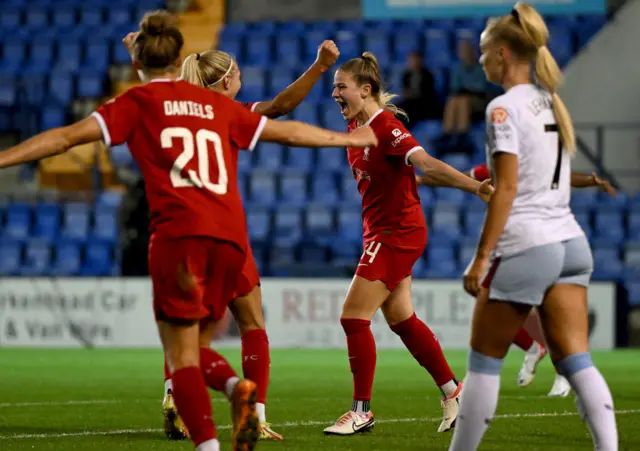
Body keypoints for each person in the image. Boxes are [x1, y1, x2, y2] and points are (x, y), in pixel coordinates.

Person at [0, 11, 377, 451]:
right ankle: (246, 404)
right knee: (233, 330)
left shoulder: (138, 102)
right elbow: (286, 128)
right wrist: (349, 140)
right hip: (230, 237)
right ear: (181, 56)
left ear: (141, 64)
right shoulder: (220, 107)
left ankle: (215, 400)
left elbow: (65, 139)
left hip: (179, 236)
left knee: (183, 354)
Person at [122, 33, 341, 441]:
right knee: (251, 321)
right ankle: (256, 413)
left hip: (177, 232)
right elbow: (282, 107)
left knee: (182, 328)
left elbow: (151, 90)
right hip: (222, 230)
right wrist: (321, 66)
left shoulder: (171, 110)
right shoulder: (228, 111)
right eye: (238, 72)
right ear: (225, 82)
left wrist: (138, 57)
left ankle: (175, 394)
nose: (242, 77)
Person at [448, 3, 618, 450]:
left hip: (528, 242)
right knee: (576, 359)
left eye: (485, 52)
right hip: (571, 241)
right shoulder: (551, 102)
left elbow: (505, 190)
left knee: (483, 364)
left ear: (503, 54)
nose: (481, 60)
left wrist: (482, 257)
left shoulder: (502, 109)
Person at [323, 51, 493, 436]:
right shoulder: (357, 130)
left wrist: (473, 186)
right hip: (381, 231)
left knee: (353, 317)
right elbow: (412, 178)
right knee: (401, 319)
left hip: (396, 233)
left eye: (340, 86)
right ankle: (454, 392)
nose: (334, 94)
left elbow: (426, 164)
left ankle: (361, 411)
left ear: (365, 90)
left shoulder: (386, 127)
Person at [418, 163, 616, 398]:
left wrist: (591, 180)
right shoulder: (493, 166)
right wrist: (422, 180)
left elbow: (566, 177)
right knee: (488, 298)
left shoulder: (532, 167)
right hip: (507, 244)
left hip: (538, 243)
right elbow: (457, 178)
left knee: (543, 309)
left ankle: (555, 368)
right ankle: (533, 351)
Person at [437, 39, 491, 153]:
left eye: (467, 51)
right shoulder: (458, 69)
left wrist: (467, 89)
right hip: (461, 99)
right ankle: (447, 135)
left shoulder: (482, 68)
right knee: (453, 100)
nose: (465, 54)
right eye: (463, 51)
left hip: (480, 101)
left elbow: (482, 88)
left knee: (463, 100)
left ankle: (462, 137)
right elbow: (454, 88)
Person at [397, 52, 441, 125]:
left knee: (409, 110)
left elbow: (427, 93)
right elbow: (405, 90)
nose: (414, 63)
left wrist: (413, 93)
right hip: (409, 100)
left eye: (416, 60)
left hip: (423, 103)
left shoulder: (428, 75)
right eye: (412, 61)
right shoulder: (406, 75)